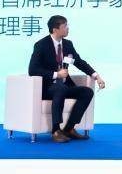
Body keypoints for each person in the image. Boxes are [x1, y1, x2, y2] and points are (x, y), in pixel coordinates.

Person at [27, 15, 106, 143]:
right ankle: (55, 130)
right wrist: (56, 74)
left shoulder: (68, 44)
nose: (67, 29)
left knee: (86, 92)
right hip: (47, 87)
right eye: (64, 26)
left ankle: (69, 129)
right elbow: (33, 70)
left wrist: (96, 76)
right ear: (55, 29)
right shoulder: (41, 45)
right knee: (60, 88)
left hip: (64, 86)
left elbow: (79, 62)